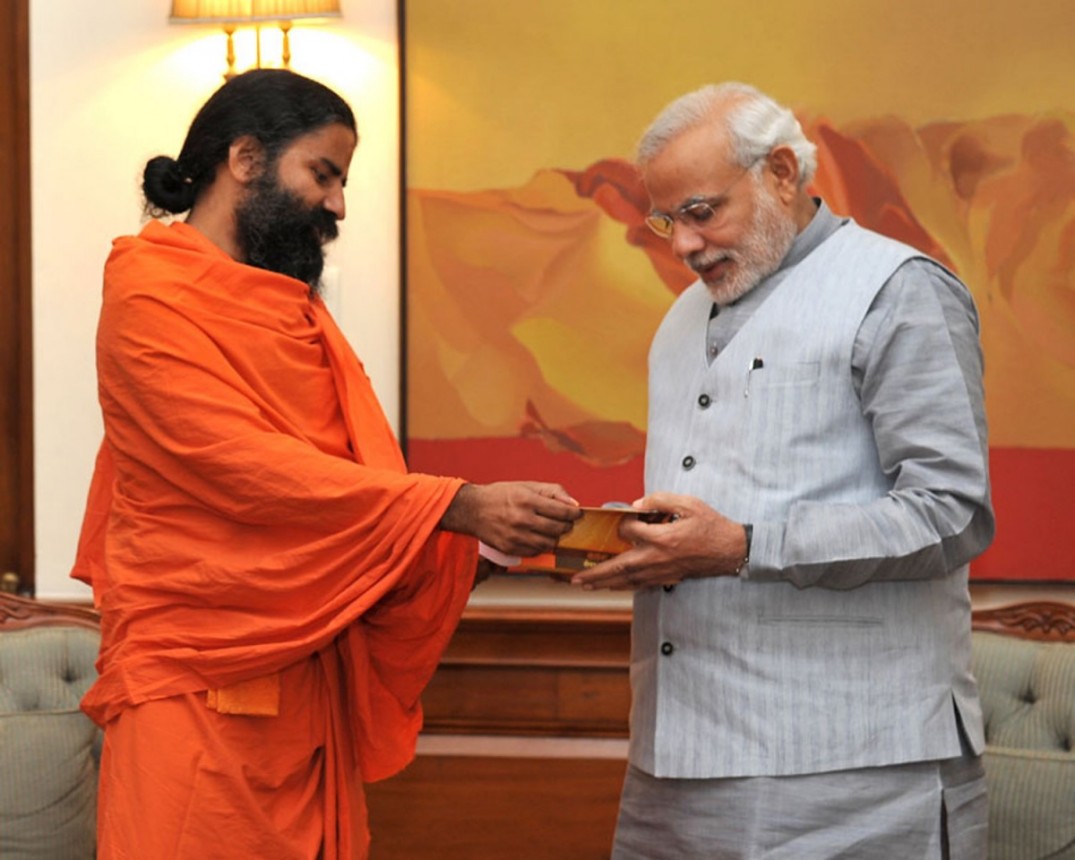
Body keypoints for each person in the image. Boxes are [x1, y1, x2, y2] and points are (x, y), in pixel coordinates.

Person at [71, 69, 581, 860]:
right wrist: (457, 506)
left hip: (309, 689)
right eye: (323, 173)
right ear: (244, 157)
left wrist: (485, 541)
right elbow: (239, 466)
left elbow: (345, 496)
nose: (339, 204)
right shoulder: (148, 295)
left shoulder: (294, 310)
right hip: (190, 688)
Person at [572, 82, 994, 859]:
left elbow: (950, 512)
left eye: (700, 212)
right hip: (673, 758)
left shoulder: (899, 291)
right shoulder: (679, 318)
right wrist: (619, 536)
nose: (683, 246)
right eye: (667, 221)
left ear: (779, 172)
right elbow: (724, 499)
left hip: (854, 769)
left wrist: (740, 546)